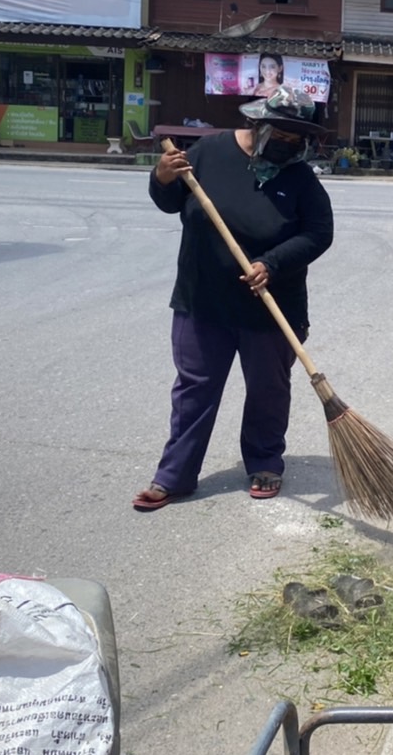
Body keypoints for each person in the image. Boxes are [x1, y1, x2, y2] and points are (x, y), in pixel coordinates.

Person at [134, 84, 334, 510]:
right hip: (202, 299)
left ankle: (265, 462)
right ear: (257, 123)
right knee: (194, 390)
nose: (287, 145)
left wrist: (272, 263)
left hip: (271, 305)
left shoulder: (298, 176)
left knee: (268, 389)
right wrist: (162, 177)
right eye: (280, 135)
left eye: (296, 139)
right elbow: (170, 203)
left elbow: (319, 233)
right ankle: (175, 475)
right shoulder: (210, 153)